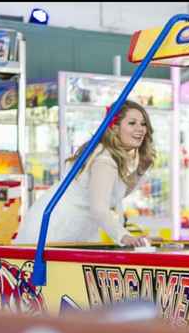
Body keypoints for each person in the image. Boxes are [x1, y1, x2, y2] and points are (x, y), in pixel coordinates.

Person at [14, 100, 154, 247]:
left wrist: (139, 171)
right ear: (114, 127)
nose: (141, 129)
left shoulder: (105, 152)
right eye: (132, 123)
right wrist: (126, 237)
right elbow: (99, 209)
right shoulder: (104, 160)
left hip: (64, 225)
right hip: (57, 229)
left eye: (143, 124)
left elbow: (113, 195)